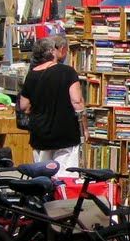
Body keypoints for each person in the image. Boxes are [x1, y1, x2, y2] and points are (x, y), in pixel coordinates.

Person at [18, 35, 84, 171]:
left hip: (40, 133)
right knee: (65, 177)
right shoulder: (67, 72)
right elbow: (77, 101)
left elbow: (24, 105)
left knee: (43, 176)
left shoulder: (32, 75)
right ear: (52, 52)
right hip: (66, 133)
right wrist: (84, 129)